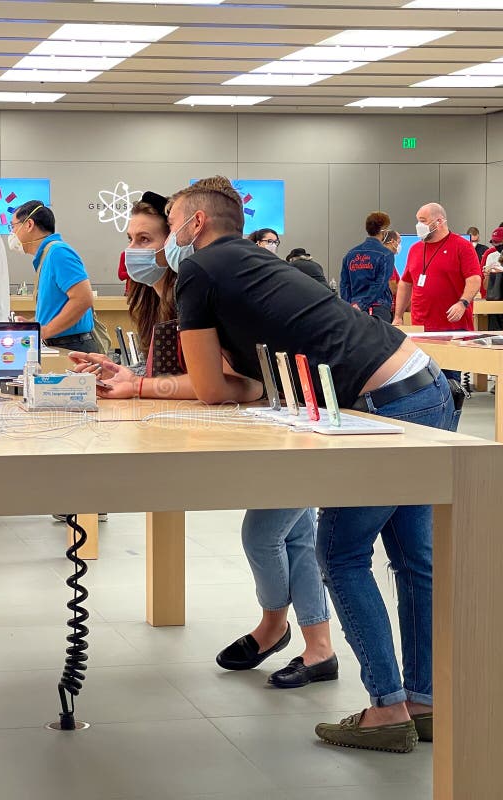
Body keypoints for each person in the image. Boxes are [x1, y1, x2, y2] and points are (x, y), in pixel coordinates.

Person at [161, 176, 453, 753]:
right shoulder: (258, 263)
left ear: (196, 224)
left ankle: (386, 710)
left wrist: (141, 387)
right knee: (412, 558)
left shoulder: (198, 269)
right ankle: (423, 703)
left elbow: (213, 389)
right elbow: (254, 384)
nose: (164, 239)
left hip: (379, 407)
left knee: (340, 554)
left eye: (168, 223)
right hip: (425, 384)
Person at [74, 191, 338, 690]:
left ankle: (278, 629)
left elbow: (213, 382)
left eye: (149, 237)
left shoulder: (202, 287)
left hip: (286, 421)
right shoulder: (164, 296)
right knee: (296, 534)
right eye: (130, 239)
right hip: (274, 419)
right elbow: (182, 375)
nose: (136, 250)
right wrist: (130, 376)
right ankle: (313, 644)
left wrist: (141, 386)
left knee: (267, 535)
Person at [393, 203, 482, 384]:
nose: (419, 225)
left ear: (439, 221)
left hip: (452, 328)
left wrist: (463, 302)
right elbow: (405, 283)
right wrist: (398, 316)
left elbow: (474, 279)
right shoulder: (415, 249)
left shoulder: (462, 247)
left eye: (423, 221)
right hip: (421, 329)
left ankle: (452, 412)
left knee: (450, 382)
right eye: (418, 221)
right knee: (423, 381)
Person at [8, 200, 95, 352]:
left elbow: (83, 298)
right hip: (60, 343)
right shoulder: (46, 256)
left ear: (29, 225)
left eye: (13, 226)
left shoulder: (58, 252)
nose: (12, 233)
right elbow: (56, 307)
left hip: (72, 346)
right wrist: (34, 323)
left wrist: (46, 331)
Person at [339, 212, 396, 323]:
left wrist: (351, 305)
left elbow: (344, 284)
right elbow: (380, 284)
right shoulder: (386, 254)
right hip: (378, 308)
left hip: (353, 308)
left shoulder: (350, 254)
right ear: (383, 230)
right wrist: (362, 304)